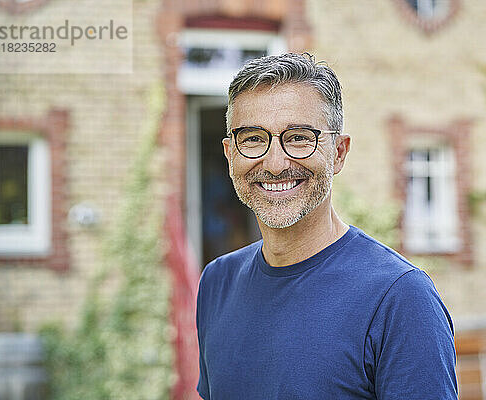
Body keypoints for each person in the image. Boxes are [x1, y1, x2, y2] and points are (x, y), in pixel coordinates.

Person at [196, 53, 458, 399]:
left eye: (299, 137)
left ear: (338, 152)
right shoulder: (217, 283)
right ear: (231, 153)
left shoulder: (399, 298)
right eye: (254, 138)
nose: (275, 163)